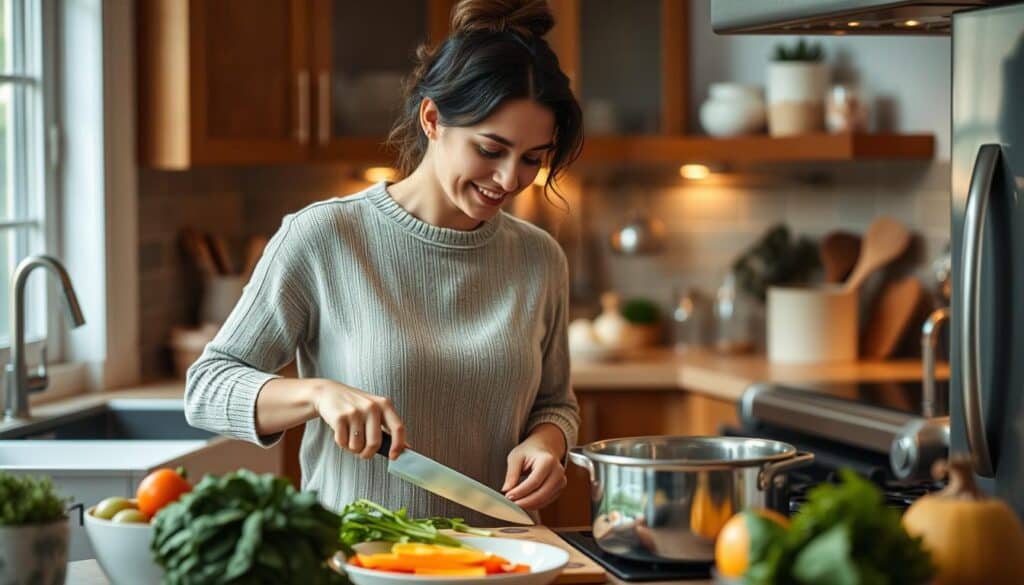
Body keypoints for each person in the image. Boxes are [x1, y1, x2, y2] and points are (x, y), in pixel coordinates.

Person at [184, 0, 583, 525]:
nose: (510, 179)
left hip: (501, 561)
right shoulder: (325, 236)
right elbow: (207, 388)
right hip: (362, 563)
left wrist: (547, 443)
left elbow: (556, 403)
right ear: (433, 118)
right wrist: (316, 394)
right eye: (491, 149)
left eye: (533, 158)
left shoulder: (538, 257)